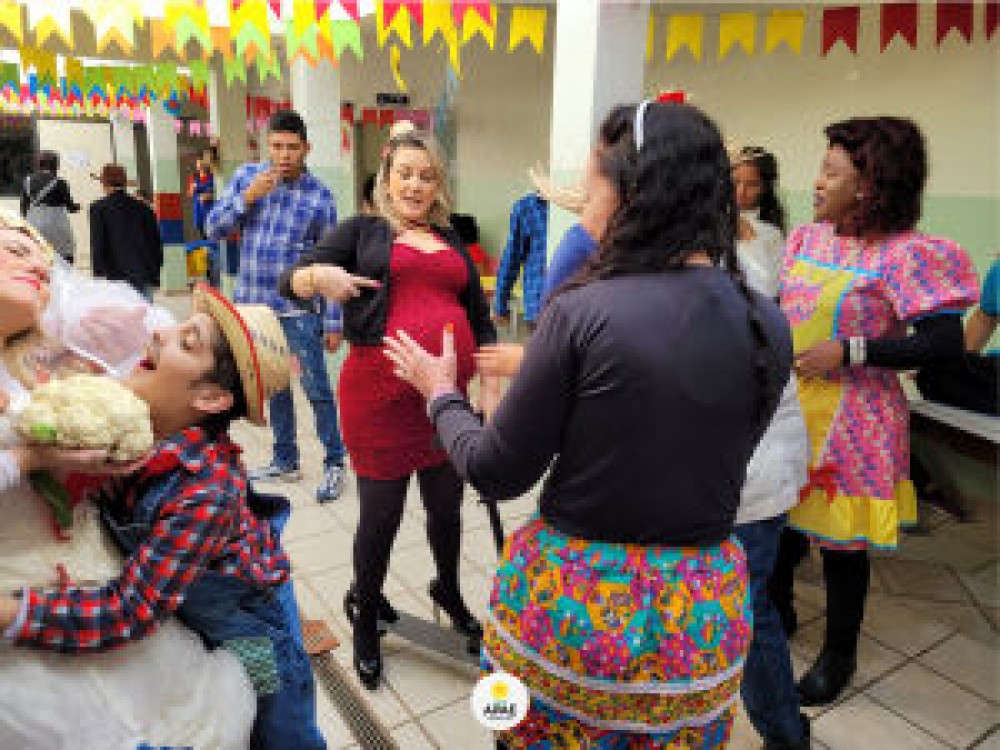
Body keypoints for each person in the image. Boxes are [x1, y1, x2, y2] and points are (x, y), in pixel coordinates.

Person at [384, 101, 793, 749]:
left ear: (631, 190)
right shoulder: (766, 322)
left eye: (592, 176)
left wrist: (440, 395)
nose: (580, 193)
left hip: (577, 611)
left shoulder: (584, 311)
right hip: (699, 620)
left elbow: (495, 470)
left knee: (527, 732)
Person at [1, 278, 328, 749]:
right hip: (185, 604)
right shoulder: (132, 424)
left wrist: (14, 614)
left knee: (277, 727)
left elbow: (130, 610)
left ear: (211, 399)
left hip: (248, 626)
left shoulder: (205, 492)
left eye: (186, 342)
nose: (157, 333)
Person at [279, 129, 498, 691]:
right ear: (386, 178)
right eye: (406, 173)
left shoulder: (450, 238)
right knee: (382, 516)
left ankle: (448, 588)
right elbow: (291, 281)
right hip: (380, 401)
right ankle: (367, 611)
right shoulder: (362, 230)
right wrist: (316, 277)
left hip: (445, 402)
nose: (415, 185)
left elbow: (479, 318)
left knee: (447, 509)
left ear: (438, 184)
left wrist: (490, 385)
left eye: (426, 176)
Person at [771, 117, 980, 706]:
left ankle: (838, 656)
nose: (816, 182)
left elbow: (944, 343)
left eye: (831, 172)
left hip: (854, 418)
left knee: (842, 542)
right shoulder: (807, 240)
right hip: (791, 406)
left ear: (868, 186)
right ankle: (780, 612)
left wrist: (852, 351)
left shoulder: (908, 255)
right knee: (780, 519)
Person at [206, 109, 348, 503]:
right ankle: (285, 460)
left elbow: (331, 261)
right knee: (275, 387)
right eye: (277, 146)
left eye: (292, 147)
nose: (284, 155)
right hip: (254, 311)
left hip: (298, 312)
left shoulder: (320, 196)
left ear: (307, 148)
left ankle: (335, 461)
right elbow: (213, 229)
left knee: (317, 389)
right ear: (266, 146)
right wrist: (246, 199)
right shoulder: (245, 179)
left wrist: (333, 321)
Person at [90, 164, 164, 301]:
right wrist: (155, 274)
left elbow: (98, 245)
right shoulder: (145, 209)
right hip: (143, 274)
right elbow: (156, 244)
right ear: (124, 183)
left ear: (104, 184)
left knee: (120, 314)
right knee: (144, 313)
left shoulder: (98, 209)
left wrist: (99, 277)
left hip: (114, 277)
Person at [732, 146, 787, 298]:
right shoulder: (712, 220)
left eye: (752, 184)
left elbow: (770, 290)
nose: (741, 191)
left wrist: (750, 239)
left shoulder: (772, 234)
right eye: (735, 182)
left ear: (764, 187)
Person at [493, 192, 547, 330]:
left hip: (580, 306)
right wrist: (500, 303)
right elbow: (512, 256)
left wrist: (500, 303)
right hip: (540, 306)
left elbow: (512, 256)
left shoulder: (591, 204)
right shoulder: (528, 206)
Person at [20, 150, 79, 263]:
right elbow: (70, 207)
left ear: (39, 163)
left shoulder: (27, 181)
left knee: (37, 258)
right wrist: (77, 207)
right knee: (64, 259)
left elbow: (23, 207)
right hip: (57, 226)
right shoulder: (60, 183)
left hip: (34, 226)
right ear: (55, 164)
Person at [187, 157, 216, 238]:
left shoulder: (213, 177)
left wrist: (209, 196)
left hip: (210, 208)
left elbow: (218, 192)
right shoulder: (193, 178)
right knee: (202, 233)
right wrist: (193, 188)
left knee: (212, 233)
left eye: (202, 164)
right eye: (199, 164)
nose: (200, 166)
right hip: (198, 209)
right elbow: (190, 193)